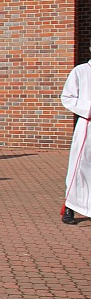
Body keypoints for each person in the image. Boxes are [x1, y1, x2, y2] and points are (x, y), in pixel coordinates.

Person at [62, 51, 91, 225]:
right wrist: (88, 108)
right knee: (78, 167)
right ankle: (69, 207)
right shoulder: (80, 71)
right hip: (87, 125)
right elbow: (67, 97)